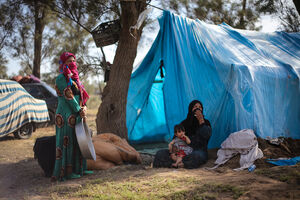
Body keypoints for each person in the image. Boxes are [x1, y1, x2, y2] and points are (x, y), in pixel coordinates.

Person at [51, 52, 92, 181]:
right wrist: (79, 109)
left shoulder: (75, 79)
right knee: (67, 143)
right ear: (63, 63)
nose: (72, 63)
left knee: (78, 142)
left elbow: (81, 95)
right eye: (69, 61)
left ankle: (80, 169)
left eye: (74, 61)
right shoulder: (61, 78)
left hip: (76, 113)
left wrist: (84, 107)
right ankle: (66, 173)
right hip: (65, 115)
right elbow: (68, 96)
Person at [153, 100, 212, 169]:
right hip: (181, 152)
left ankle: (182, 164)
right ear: (190, 109)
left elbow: (207, 135)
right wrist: (174, 152)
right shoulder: (184, 123)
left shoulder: (206, 123)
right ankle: (175, 164)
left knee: (197, 156)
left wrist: (201, 121)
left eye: (200, 107)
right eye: (195, 107)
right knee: (160, 153)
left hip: (197, 151)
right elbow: (175, 139)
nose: (198, 109)